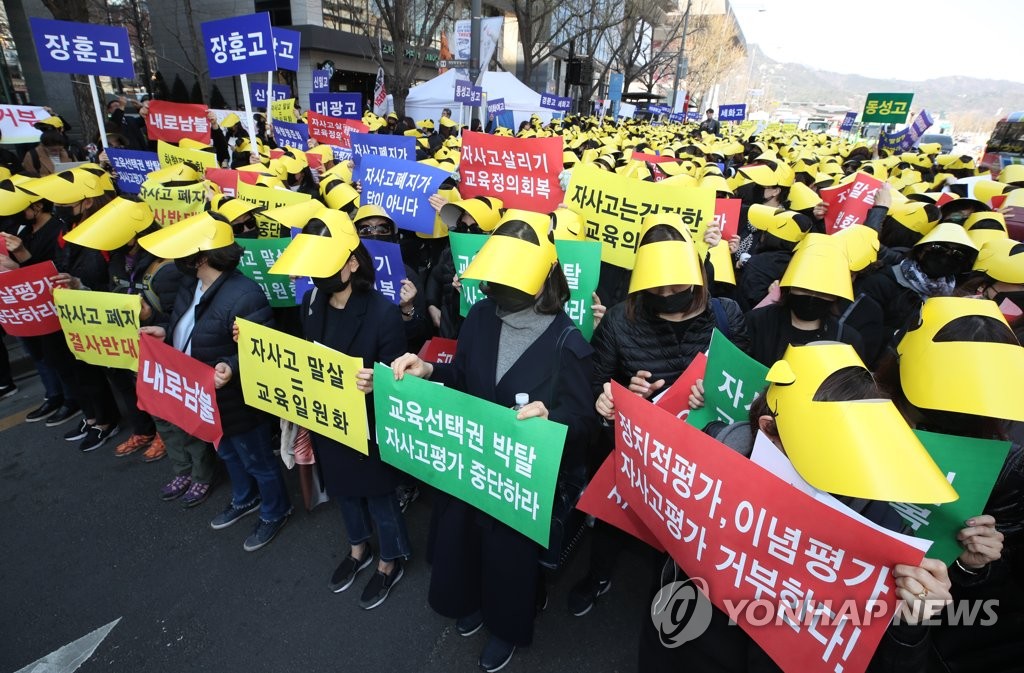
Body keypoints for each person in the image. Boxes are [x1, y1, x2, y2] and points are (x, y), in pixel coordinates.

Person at [641, 342, 958, 672]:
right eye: (816, 452)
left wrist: (910, 623)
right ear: (768, 429)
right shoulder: (714, 449)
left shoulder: (884, 529)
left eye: (849, 450)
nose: (833, 471)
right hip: (678, 643)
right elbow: (651, 500)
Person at [391, 210, 595, 672]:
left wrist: (553, 417)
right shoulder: (481, 316)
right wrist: (429, 371)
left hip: (519, 480)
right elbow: (464, 378)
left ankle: (506, 627)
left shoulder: (568, 343)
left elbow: (584, 423)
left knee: (509, 559)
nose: (499, 295)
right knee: (463, 542)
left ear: (544, 280)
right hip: (471, 466)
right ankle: (472, 602)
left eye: (512, 284)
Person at [574, 214, 748, 618]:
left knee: (684, 545)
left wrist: (718, 395)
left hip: (701, 460)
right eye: (659, 287)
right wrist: (615, 397)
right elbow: (596, 382)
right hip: (637, 453)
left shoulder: (727, 316)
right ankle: (597, 575)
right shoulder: (622, 319)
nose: (669, 294)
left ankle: (675, 602)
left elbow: (748, 396)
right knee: (615, 523)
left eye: (679, 285)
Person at [269, 207, 411, 608]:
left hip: (368, 425)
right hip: (328, 419)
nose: (318, 274)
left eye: (326, 264)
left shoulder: (382, 313)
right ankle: (357, 548)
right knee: (344, 492)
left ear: (351, 263)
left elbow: (398, 376)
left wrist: (376, 382)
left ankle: (390, 558)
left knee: (379, 495)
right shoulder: (311, 301)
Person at [878, 297, 1023, 672]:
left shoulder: (1005, 464)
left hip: (907, 626)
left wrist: (974, 567)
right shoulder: (858, 410)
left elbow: (985, 597)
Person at [139, 212, 291, 553]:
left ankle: (275, 509)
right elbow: (186, 325)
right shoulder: (189, 284)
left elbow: (264, 349)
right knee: (226, 452)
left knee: (256, 460)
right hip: (200, 396)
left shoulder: (246, 294)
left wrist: (231, 367)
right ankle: (243, 497)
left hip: (235, 400)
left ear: (201, 257)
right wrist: (164, 331)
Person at [62, 196, 181, 462]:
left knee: (161, 393)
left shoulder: (166, 266)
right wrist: (79, 286)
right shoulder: (118, 260)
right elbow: (111, 293)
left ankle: (168, 436)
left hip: (157, 347)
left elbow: (180, 319)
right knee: (132, 387)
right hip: (126, 344)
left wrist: (150, 317)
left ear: (134, 234)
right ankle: (144, 429)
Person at [745, 233, 866, 366]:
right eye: (804, 288)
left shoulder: (848, 341)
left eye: (823, 292)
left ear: (836, 295)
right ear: (789, 286)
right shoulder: (756, 322)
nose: (812, 296)